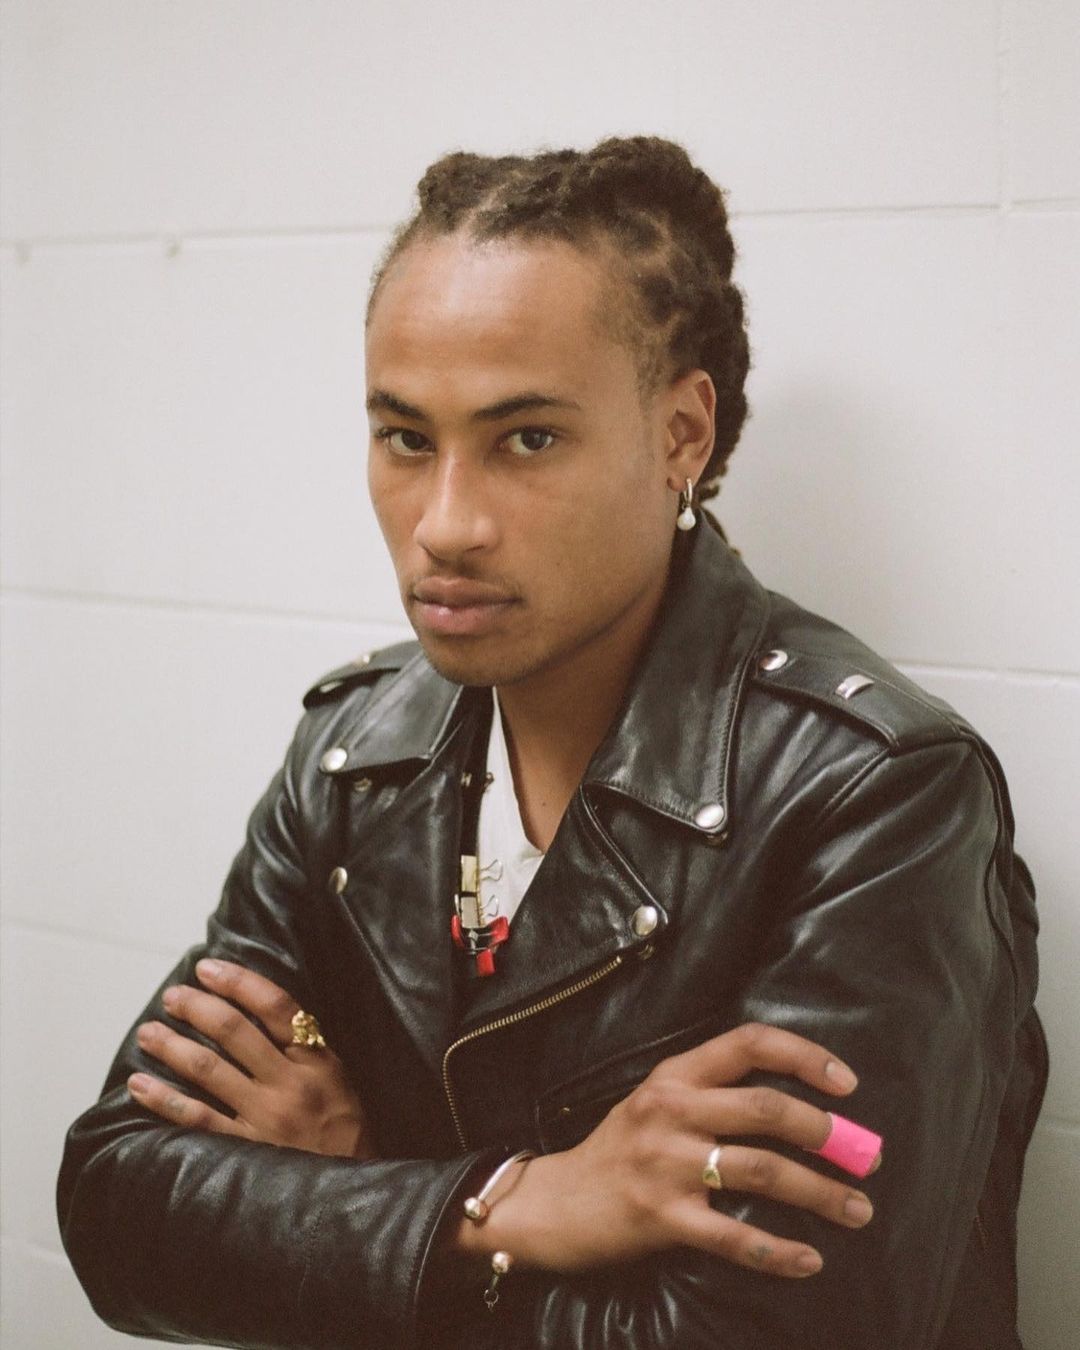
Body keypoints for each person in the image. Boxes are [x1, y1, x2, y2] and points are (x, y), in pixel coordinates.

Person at [58, 136, 1047, 1350]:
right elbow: (117, 1208)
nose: (446, 524)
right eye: (405, 438)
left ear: (681, 435)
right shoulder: (355, 758)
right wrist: (521, 1203)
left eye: (526, 439)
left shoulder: (870, 794)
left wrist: (364, 1179)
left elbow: (759, 1333)